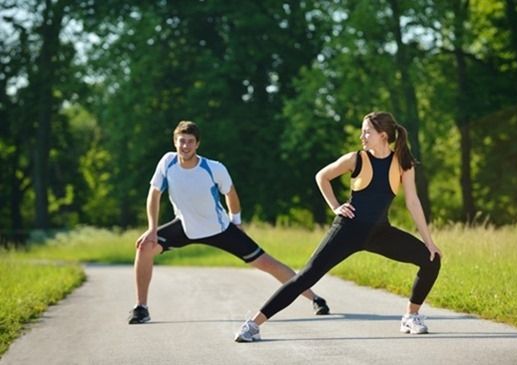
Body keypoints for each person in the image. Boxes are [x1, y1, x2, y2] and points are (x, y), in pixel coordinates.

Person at [235, 111, 442, 342]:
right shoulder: (356, 159)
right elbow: (322, 176)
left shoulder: (403, 163)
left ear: (383, 135)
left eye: (367, 131)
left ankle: (410, 317)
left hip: (379, 233)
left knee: (431, 259)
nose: (362, 136)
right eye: (363, 131)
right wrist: (335, 206)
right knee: (306, 277)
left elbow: (413, 203)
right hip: (347, 231)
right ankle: (253, 324)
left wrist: (429, 242)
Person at [128, 120, 329, 324]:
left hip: (220, 228)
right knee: (144, 247)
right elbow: (153, 195)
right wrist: (152, 229)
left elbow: (230, 193)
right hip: (185, 225)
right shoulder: (167, 163)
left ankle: (315, 299)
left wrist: (236, 222)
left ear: (197, 144)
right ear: (174, 142)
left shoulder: (213, 168)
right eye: (182, 141)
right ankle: (141, 308)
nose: (185, 146)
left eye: (190, 142)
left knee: (268, 263)